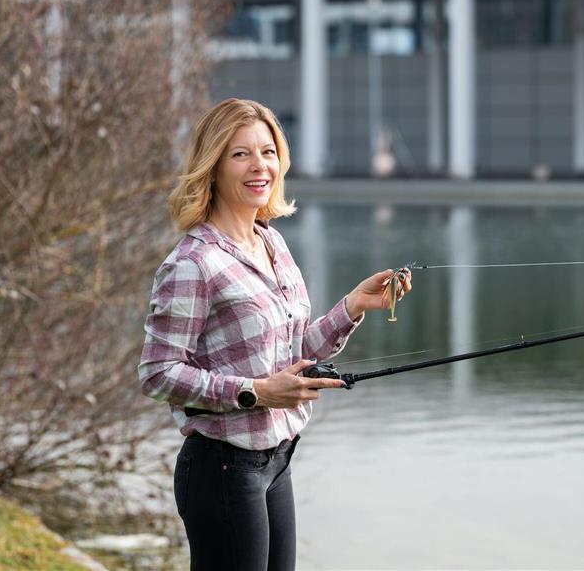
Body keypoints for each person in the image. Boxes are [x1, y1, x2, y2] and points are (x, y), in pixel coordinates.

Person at [138, 98, 412, 571]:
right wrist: (257, 393)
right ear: (214, 165)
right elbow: (158, 374)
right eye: (240, 153)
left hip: (276, 462)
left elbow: (293, 350)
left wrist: (352, 307)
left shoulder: (272, 242)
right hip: (222, 468)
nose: (258, 165)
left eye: (267, 151)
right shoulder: (193, 263)